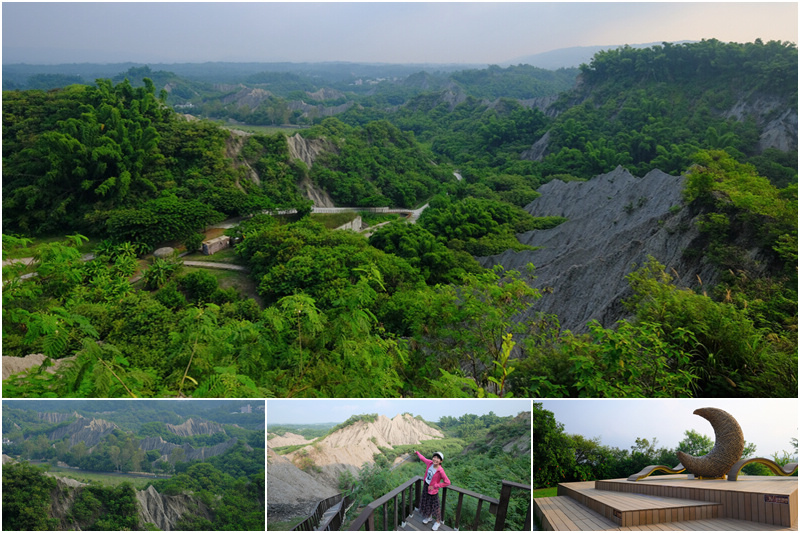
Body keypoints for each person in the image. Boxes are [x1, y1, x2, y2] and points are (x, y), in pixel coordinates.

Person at [414, 450, 450, 531]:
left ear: (441, 461)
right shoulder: (430, 463)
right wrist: (417, 453)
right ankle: (429, 517)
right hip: (426, 487)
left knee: (435, 506)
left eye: (438, 458)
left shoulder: (440, 471)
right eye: (434, 457)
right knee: (427, 503)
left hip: (433, 490)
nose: (435, 459)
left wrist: (436, 485)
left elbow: (447, 482)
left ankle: (437, 522)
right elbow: (423, 458)